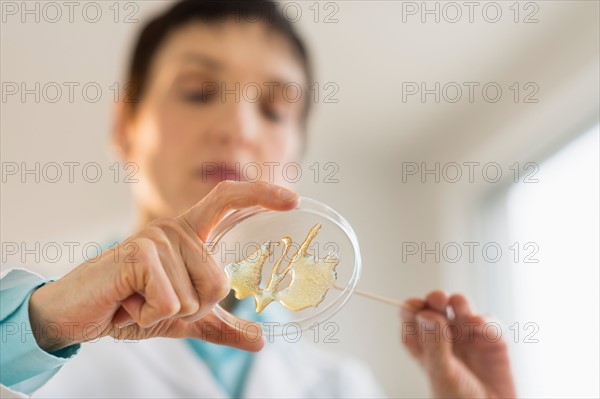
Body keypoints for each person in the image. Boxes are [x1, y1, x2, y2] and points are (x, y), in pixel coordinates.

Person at [0, 1, 516, 397]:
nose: (238, 128)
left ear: (294, 160)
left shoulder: (341, 386)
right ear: (124, 126)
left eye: (272, 109)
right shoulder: (31, 310)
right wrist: (37, 329)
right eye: (199, 92)